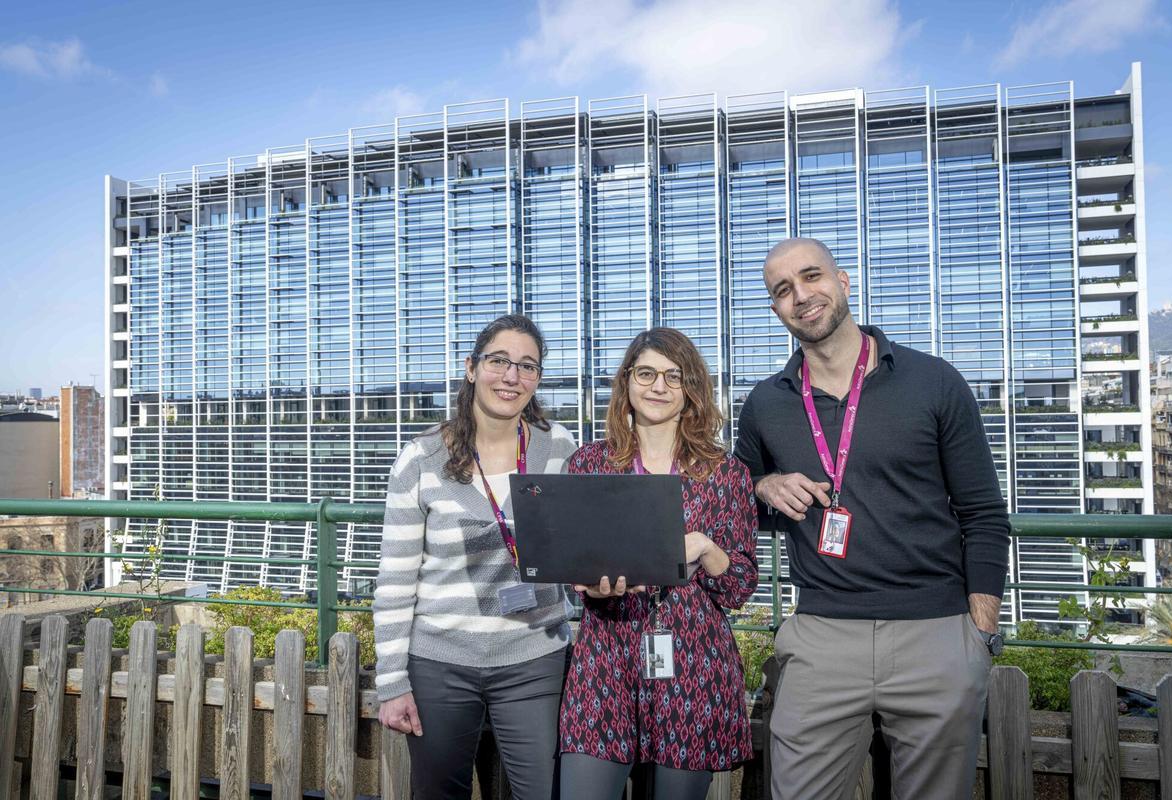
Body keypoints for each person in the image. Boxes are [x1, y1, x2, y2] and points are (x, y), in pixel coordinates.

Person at [733, 238, 1011, 800]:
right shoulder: (766, 402)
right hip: (822, 635)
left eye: (812, 277)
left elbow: (983, 514)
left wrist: (978, 634)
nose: (801, 295)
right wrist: (763, 483)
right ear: (775, 309)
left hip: (936, 634)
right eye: (782, 289)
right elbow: (732, 497)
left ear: (843, 281)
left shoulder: (934, 381)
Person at [373, 314, 577, 800]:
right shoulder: (421, 460)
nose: (512, 376)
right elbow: (396, 582)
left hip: (536, 657)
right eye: (499, 361)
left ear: (538, 379)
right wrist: (391, 683)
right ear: (471, 368)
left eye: (527, 366)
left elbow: (578, 558)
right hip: (441, 663)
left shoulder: (560, 449)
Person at [558, 327, 759, 800]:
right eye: (646, 373)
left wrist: (708, 548)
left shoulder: (725, 473)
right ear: (627, 383)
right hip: (603, 659)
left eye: (674, 376)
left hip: (692, 663)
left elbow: (740, 587)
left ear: (691, 392)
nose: (659, 386)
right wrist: (589, 586)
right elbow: (572, 569)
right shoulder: (588, 465)